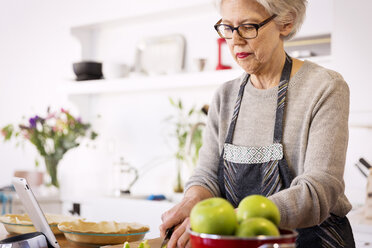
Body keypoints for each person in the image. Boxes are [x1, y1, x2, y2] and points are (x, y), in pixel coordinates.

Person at [160, 0, 355, 247]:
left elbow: (319, 189)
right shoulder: (225, 97)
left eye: (248, 26)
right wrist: (192, 202)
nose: (235, 40)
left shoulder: (324, 87)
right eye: (228, 28)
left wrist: (238, 217)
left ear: (286, 22)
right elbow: (207, 175)